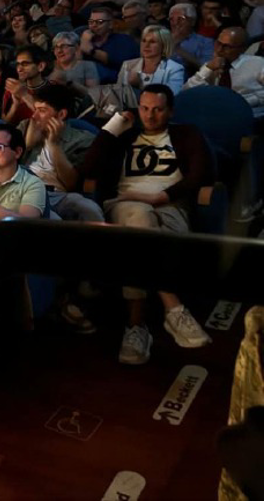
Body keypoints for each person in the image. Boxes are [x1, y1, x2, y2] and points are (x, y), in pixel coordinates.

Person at [81, 85, 213, 364]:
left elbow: (201, 174)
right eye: (144, 108)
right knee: (139, 219)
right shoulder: (123, 137)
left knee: (137, 242)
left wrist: (158, 196)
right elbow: (87, 169)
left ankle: (138, 329)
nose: (150, 116)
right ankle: (168, 310)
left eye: (158, 109)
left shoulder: (187, 134)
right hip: (125, 203)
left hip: (171, 205)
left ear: (170, 111)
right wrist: (111, 128)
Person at [19, 84, 101, 222]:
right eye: (35, 109)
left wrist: (54, 145)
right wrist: (26, 146)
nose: (34, 116)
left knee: (88, 208)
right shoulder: (25, 127)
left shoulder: (83, 139)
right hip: (21, 190)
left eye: (42, 110)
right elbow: (4, 168)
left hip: (56, 195)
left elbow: (72, 185)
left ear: (61, 114)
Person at [184, 27, 264, 118]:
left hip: (251, 118)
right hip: (219, 117)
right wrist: (208, 69)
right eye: (218, 43)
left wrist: (245, 101)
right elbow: (187, 92)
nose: (219, 50)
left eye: (226, 46)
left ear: (242, 49)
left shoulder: (258, 64)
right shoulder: (211, 66)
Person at [116, 25, 185, 97]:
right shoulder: (127, 65)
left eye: (152, 42)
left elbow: (171, 98)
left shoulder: (175, 69)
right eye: (144, 41)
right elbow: (117, 96)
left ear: (164, 45)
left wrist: (139, 87)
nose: (146, 45)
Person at [79, 6, 138, 84]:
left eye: (99, 22)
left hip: (115, 84)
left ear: (110, 24)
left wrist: (91, 50)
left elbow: (118, 61)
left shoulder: (122, 40)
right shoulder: (84, 38)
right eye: (91, 22)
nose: (94, 25)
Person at [2, 45, 50, 126]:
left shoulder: (54, 89)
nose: (19, 69)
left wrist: (24, 95)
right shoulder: (13, 89)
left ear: (40, 66)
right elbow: (4, 124)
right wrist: (15, 105)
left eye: (25, 64)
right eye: (18, 64)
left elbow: (50, 121)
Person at [167, 3, 215, 75]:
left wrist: (179, 50)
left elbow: (207, 69)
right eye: (171, 19)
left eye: (180, 19)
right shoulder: (159, 39)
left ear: (192, 21)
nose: (175, 23)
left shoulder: (206, 42)